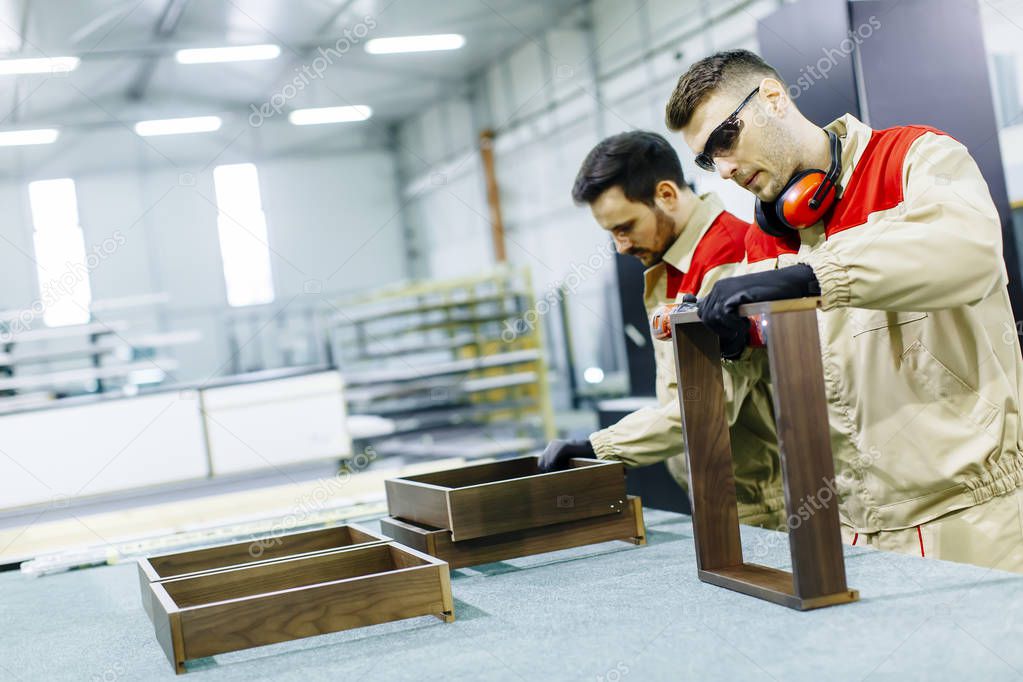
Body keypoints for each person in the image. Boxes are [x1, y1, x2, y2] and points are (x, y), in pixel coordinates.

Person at [665, 48, 1023, 571]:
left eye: (725, 138)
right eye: (705, 159)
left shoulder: (914, 158)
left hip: (972, 520)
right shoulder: (771, 244)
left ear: (772, 98)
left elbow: (968, 248)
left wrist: (815, 275)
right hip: (853, 533)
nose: (723, 169)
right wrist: (736, 346)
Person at [539, 130, 786, 529]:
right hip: (723, 494)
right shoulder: (671, 265)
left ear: (667, 195)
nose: (620, 246)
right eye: (611, 233)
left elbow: (710, 404)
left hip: (765, 505)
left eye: (625, 227)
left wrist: (600, 447)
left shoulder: (726, 259)